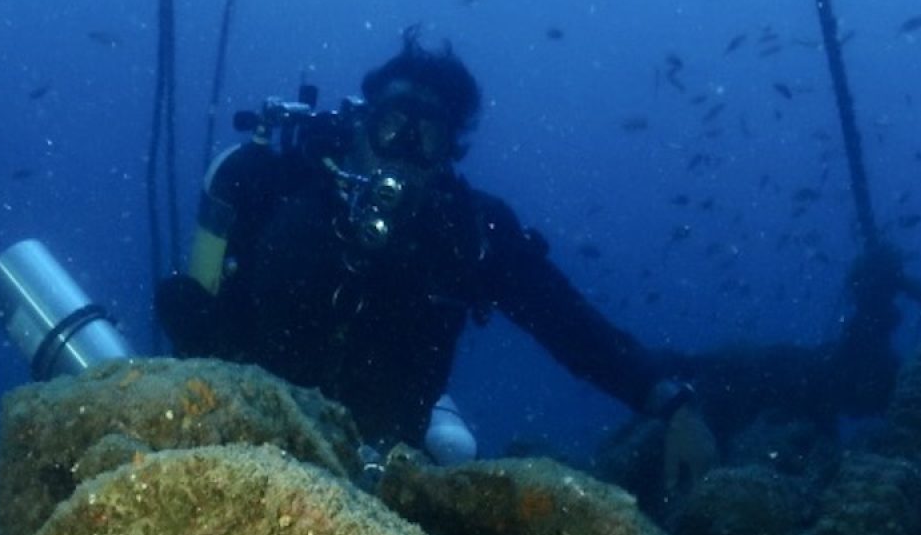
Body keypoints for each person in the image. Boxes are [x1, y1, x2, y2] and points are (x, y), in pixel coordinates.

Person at [156, 32, 706, 471]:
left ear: (449, 155)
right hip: (250, 428)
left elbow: (566, 321)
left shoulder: (469, 231)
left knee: (453, 452)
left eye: (428, 137)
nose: (404, 150)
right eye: (391, 126)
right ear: (358, 129)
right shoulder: (275, 189)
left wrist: (665, 400)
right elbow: (202, 312)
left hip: (389, 452)